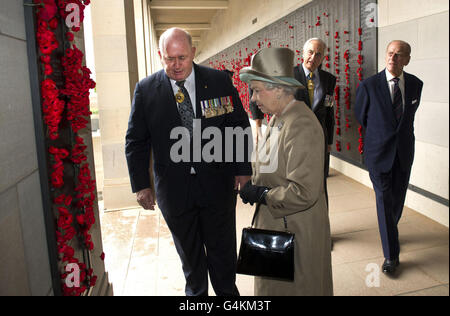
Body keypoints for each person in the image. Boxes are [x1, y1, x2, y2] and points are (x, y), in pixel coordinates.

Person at [125, 28, 252, 296]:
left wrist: (242, 168)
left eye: (182, 57)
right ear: (161, 56)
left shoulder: (218, 81)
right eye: (169, 59)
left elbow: (237, 125)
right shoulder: (146, 91)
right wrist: (141, 185)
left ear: (193, 52)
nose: (177, 65)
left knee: (223, 260)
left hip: (217, 186)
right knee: (192, 267)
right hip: (175, 192)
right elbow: (136, 141)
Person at [239, 47, 333, 296]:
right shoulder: (280, 117)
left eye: (258, 90)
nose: (253, 99)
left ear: (279, 89)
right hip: (280, 227)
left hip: (295, 231)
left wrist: (263, 195)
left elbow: (304, 191)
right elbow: (271, 162)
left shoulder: (300, 124)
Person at [354, 40, 423, 276]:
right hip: (379, 153)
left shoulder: (415, 85)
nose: (393, 58)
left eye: (399, 55)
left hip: (404, 153)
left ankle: (389, 232)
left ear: (407, 59)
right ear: (386, 55)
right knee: (384, 201)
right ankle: (391, 255)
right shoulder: (369, 85)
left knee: (397, 201)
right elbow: (361, 117)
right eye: (390, 53)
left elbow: (408, 119)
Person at [294, 38, 337, 179]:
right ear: (303, 53)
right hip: (295, 138)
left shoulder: (329, 79)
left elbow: (329, 110)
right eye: (310, 52)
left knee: (319, 179)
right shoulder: (289, 75)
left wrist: (329, 140)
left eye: (318, 54)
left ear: (323, 58)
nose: (313, 57)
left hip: (320, 138)